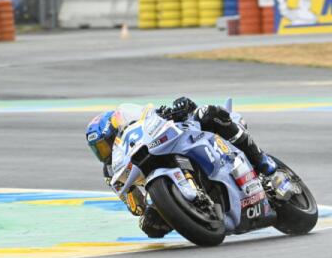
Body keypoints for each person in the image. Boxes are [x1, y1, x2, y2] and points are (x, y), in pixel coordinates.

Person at [86, 97, 277, 238]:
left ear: (116, 130)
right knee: (150, 226)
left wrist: (180, 107)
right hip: (160, 184)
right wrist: (148, 208)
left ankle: (261, 160)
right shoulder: (112, 172)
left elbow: (158, 114)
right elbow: (136, 207)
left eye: (104, 144)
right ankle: (197, 214)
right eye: (99, 150)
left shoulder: (138, 127)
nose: (105, 151)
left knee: (208, 113)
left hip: (180, 138)